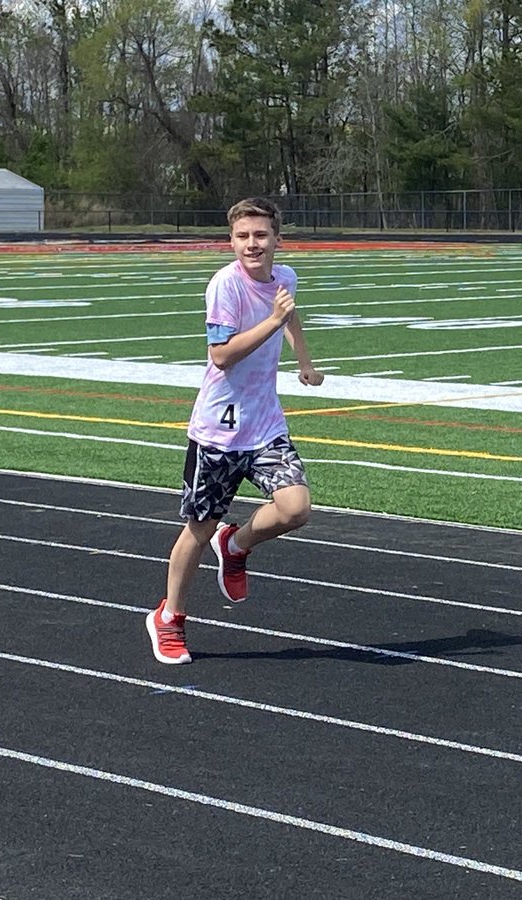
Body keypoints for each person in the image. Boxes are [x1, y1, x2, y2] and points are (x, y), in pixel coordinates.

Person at [147, 197, 323, 664]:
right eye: (243, 236)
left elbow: (289, 313)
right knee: (197, 530)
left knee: (295, 507)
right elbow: (221, 355)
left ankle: (237, 542)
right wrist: (271, 320)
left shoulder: (284, 277)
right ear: (231, 241)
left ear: (276, 239)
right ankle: (170, 618)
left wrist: (304, 359)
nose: (252, 244)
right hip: (218, 432)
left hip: (265, 423)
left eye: (261, 235)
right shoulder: (225, 286)